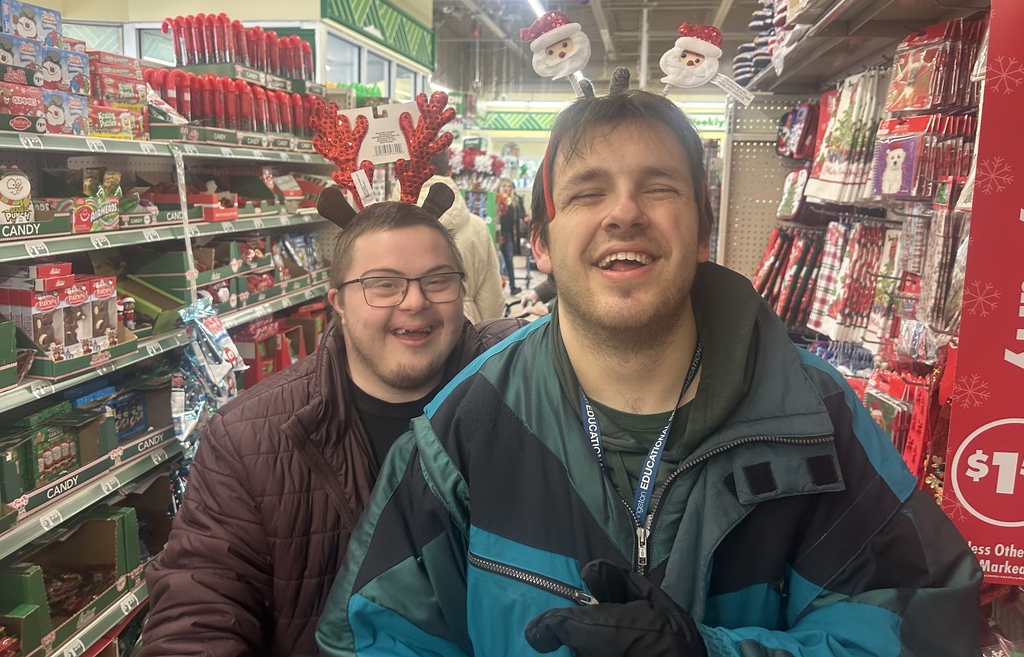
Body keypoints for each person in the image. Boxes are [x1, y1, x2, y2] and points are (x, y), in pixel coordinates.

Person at [316, 86, 981, 657]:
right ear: (542, 244)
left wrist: (712, 651)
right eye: (587, 192)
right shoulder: (470, 424)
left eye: (658, 188)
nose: (624, 212)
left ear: (700, 236)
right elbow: (375, 634)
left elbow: (927, 626)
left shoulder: (813, 418)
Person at [140, 200, 522, 657]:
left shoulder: (520, 391)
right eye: (383, 285)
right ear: (338, 302)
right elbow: (197, 615)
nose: (415, 302)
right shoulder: (247, 439)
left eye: (438, 281)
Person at [416, 151, 504, 322]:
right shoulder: (477, 228)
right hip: (465, 327)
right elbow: (491, 300)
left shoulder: (380, 226)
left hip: (400, 332)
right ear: (450, 170)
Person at [497, 178, 523, 295]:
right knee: (497, 261)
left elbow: (520, 216)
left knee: (509, 260)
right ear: (500, 187)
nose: (506, 188)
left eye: (509, 186)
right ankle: (497, 287)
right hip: (496, 233)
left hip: (508, 234)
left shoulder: (514, 201)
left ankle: (512, 287)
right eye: (504, 186)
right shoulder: (496, 199)